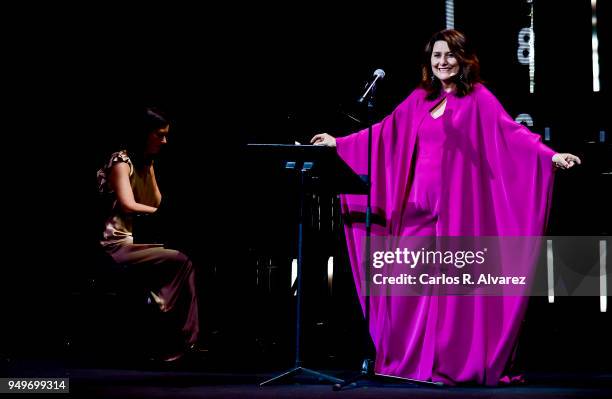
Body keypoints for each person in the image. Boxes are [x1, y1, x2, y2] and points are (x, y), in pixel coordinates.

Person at [311, 29, 580, 385]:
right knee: (408, 285)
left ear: (463, 59)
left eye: (449, 55)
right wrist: (338, 143)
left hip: (457, 211)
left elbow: (511, 134)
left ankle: (448, 364)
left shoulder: (479, 98)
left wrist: (551, 156)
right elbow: (383, 134)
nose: (442, 62)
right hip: (414, 211)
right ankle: (409, 364)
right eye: (437, 56)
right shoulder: (420, 98)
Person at [96, 107, 200, 362]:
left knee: (187, 258)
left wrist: (150, 167)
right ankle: (179, 333)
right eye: (159, 135)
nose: (165, 141)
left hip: (136, 241)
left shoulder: (143, 163)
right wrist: (158, 213)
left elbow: (156, 200)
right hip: (116, 243)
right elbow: (128, 204)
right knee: (181, 261)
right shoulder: (119, 161)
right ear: (144, 134)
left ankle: (180, 335)